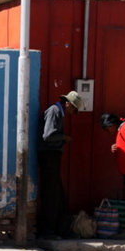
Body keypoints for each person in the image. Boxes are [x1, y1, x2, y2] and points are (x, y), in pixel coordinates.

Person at [37, 91, 83, 239]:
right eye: (74, 110)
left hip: (51, 157)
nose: (72, 113)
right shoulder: (55, 111)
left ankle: (57, 229)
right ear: (68, 104)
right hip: (49, 156)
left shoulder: (57, 111)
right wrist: (64, 137)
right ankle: (47, 231)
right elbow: (48, 135)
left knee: (56, 194)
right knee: (51, 194)